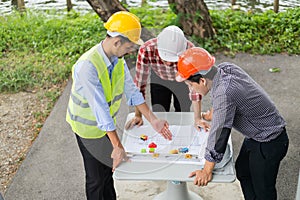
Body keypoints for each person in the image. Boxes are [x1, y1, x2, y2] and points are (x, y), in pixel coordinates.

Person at [65, 11, 172, 200]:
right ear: (117, 42)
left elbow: (132, 92)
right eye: (129, 46)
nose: (131, 51)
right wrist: (117, 145)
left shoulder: (117, 60)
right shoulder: (87, 66)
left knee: (108, 171)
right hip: (88, 128)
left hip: (105, 126)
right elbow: (100, 110)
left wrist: (153, 120)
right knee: (96, 179)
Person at [176, 47, 289, 200]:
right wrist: (215, 113)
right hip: (257, 135)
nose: (191, 89)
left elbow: (219, 135)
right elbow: (237, 97)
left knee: (263, 190)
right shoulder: (226, 69)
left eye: (190, 85)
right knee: (242, 170)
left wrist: (206, 170)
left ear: (202, 80)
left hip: (269, 140)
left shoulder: (224, 91)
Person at [126, 25, 210, 131]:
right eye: (165, 58)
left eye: (173, 58)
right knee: (159, 111)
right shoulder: (146, 49)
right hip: (159, 79)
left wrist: (197, 119)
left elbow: (195, 87)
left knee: (183, 113)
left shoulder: (190, 50)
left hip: (183, 81)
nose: (169, 63)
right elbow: (139, 84)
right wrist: (138, 115)